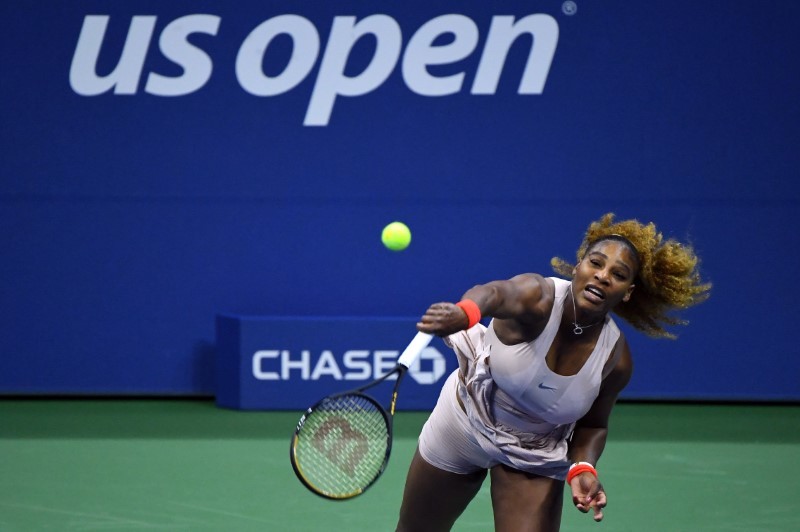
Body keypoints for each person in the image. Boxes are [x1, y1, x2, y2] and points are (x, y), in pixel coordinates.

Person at [395, 213, 711, 532]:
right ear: (578, 267)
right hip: (463, 420)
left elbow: (593, 425)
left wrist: (583, 467)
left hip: (534, 449)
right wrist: (466, 313)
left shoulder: (615, 360)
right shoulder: (538, 297)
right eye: (596, 263)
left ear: (627, 292)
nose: (602, 276)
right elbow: (494, 293)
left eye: (618, 274)